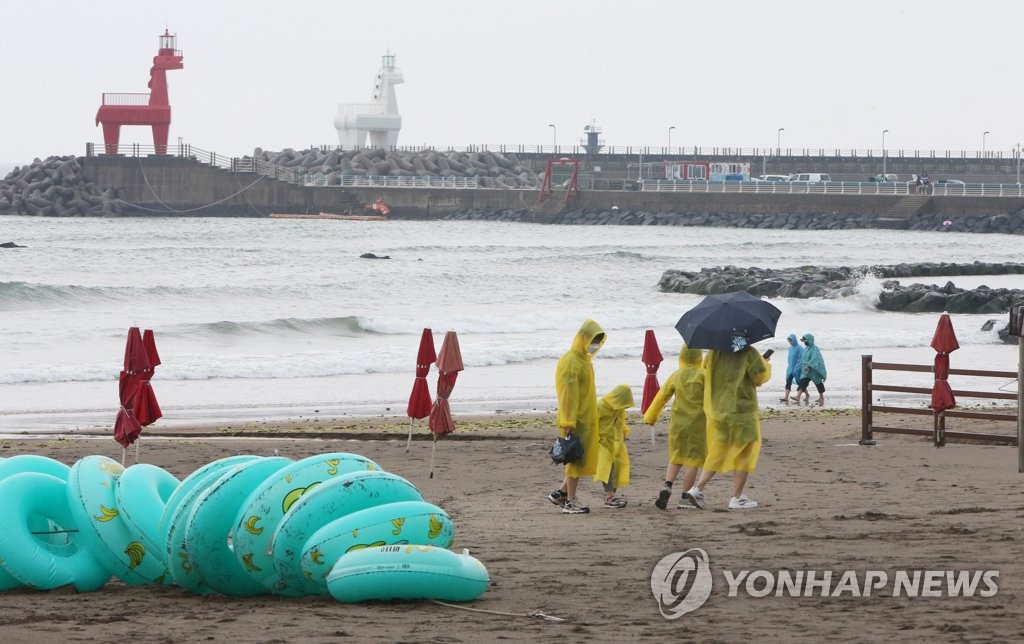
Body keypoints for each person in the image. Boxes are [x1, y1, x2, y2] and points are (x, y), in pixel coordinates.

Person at [681, 339, 771, 510]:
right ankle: (737, 497)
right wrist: (765, 364)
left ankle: (697, 488)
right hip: (741, 411)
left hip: (717, 410)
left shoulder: (713, 354)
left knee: (720, 450)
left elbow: (705, 374)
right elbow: (759, 378)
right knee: (745, 454)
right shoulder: (748, 352)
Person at [548, 319, 606, 514]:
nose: (595, 345)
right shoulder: (570, 361)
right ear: (583, 338)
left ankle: (562, 493)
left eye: (598, 341)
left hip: (585, 418)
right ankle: (571, 501)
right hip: (573, 420)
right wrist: (568, 421)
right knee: (574, 460)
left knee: (578, 458)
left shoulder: (584, 360)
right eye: (593, 340)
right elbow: (568, 395)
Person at [643, 343, 706, 510]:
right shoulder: (703, 375)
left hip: (678, 424)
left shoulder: (675, 375)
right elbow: (713, 397)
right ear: (699, 356)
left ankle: (667, 485)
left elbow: (661, 397)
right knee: (693, 461)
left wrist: (651, 416)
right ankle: (685, 497)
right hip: (698, 424)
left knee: (676, 457)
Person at [593, 384, 634, 509]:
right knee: (607, 469)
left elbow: (621, 422)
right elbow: (591, 423)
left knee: (618, 468)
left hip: (615, 442)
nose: (625, 407)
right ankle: (610, 497)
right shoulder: (600, 406)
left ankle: (611, 496)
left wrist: (624, 433)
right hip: (601, 443)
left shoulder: (618, 408)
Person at [796, 333, 827, 406]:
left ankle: (821, 397)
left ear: (810, 340)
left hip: (814, 369)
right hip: (806, 370)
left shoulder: (815, 348)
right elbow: (803, 358)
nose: (804, 342)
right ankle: (797, 396)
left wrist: (809, 366)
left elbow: (815, 358)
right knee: (802, 381)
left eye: (805, 340)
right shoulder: (806, 348)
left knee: (818, 383)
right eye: (803, 341)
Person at [779, 333, 804, 404]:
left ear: (794, 340)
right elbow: (789, 359)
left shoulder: (800, 348)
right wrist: (789, 367)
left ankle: (807, 394)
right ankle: (786, 397)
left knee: (800, 382)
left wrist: (799, 366)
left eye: (791, 341)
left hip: (797, 368)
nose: (790, 342)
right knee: (788, 381)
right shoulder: (790, 349)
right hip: (790, 368)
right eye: (789, 341)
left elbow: (803, 358)